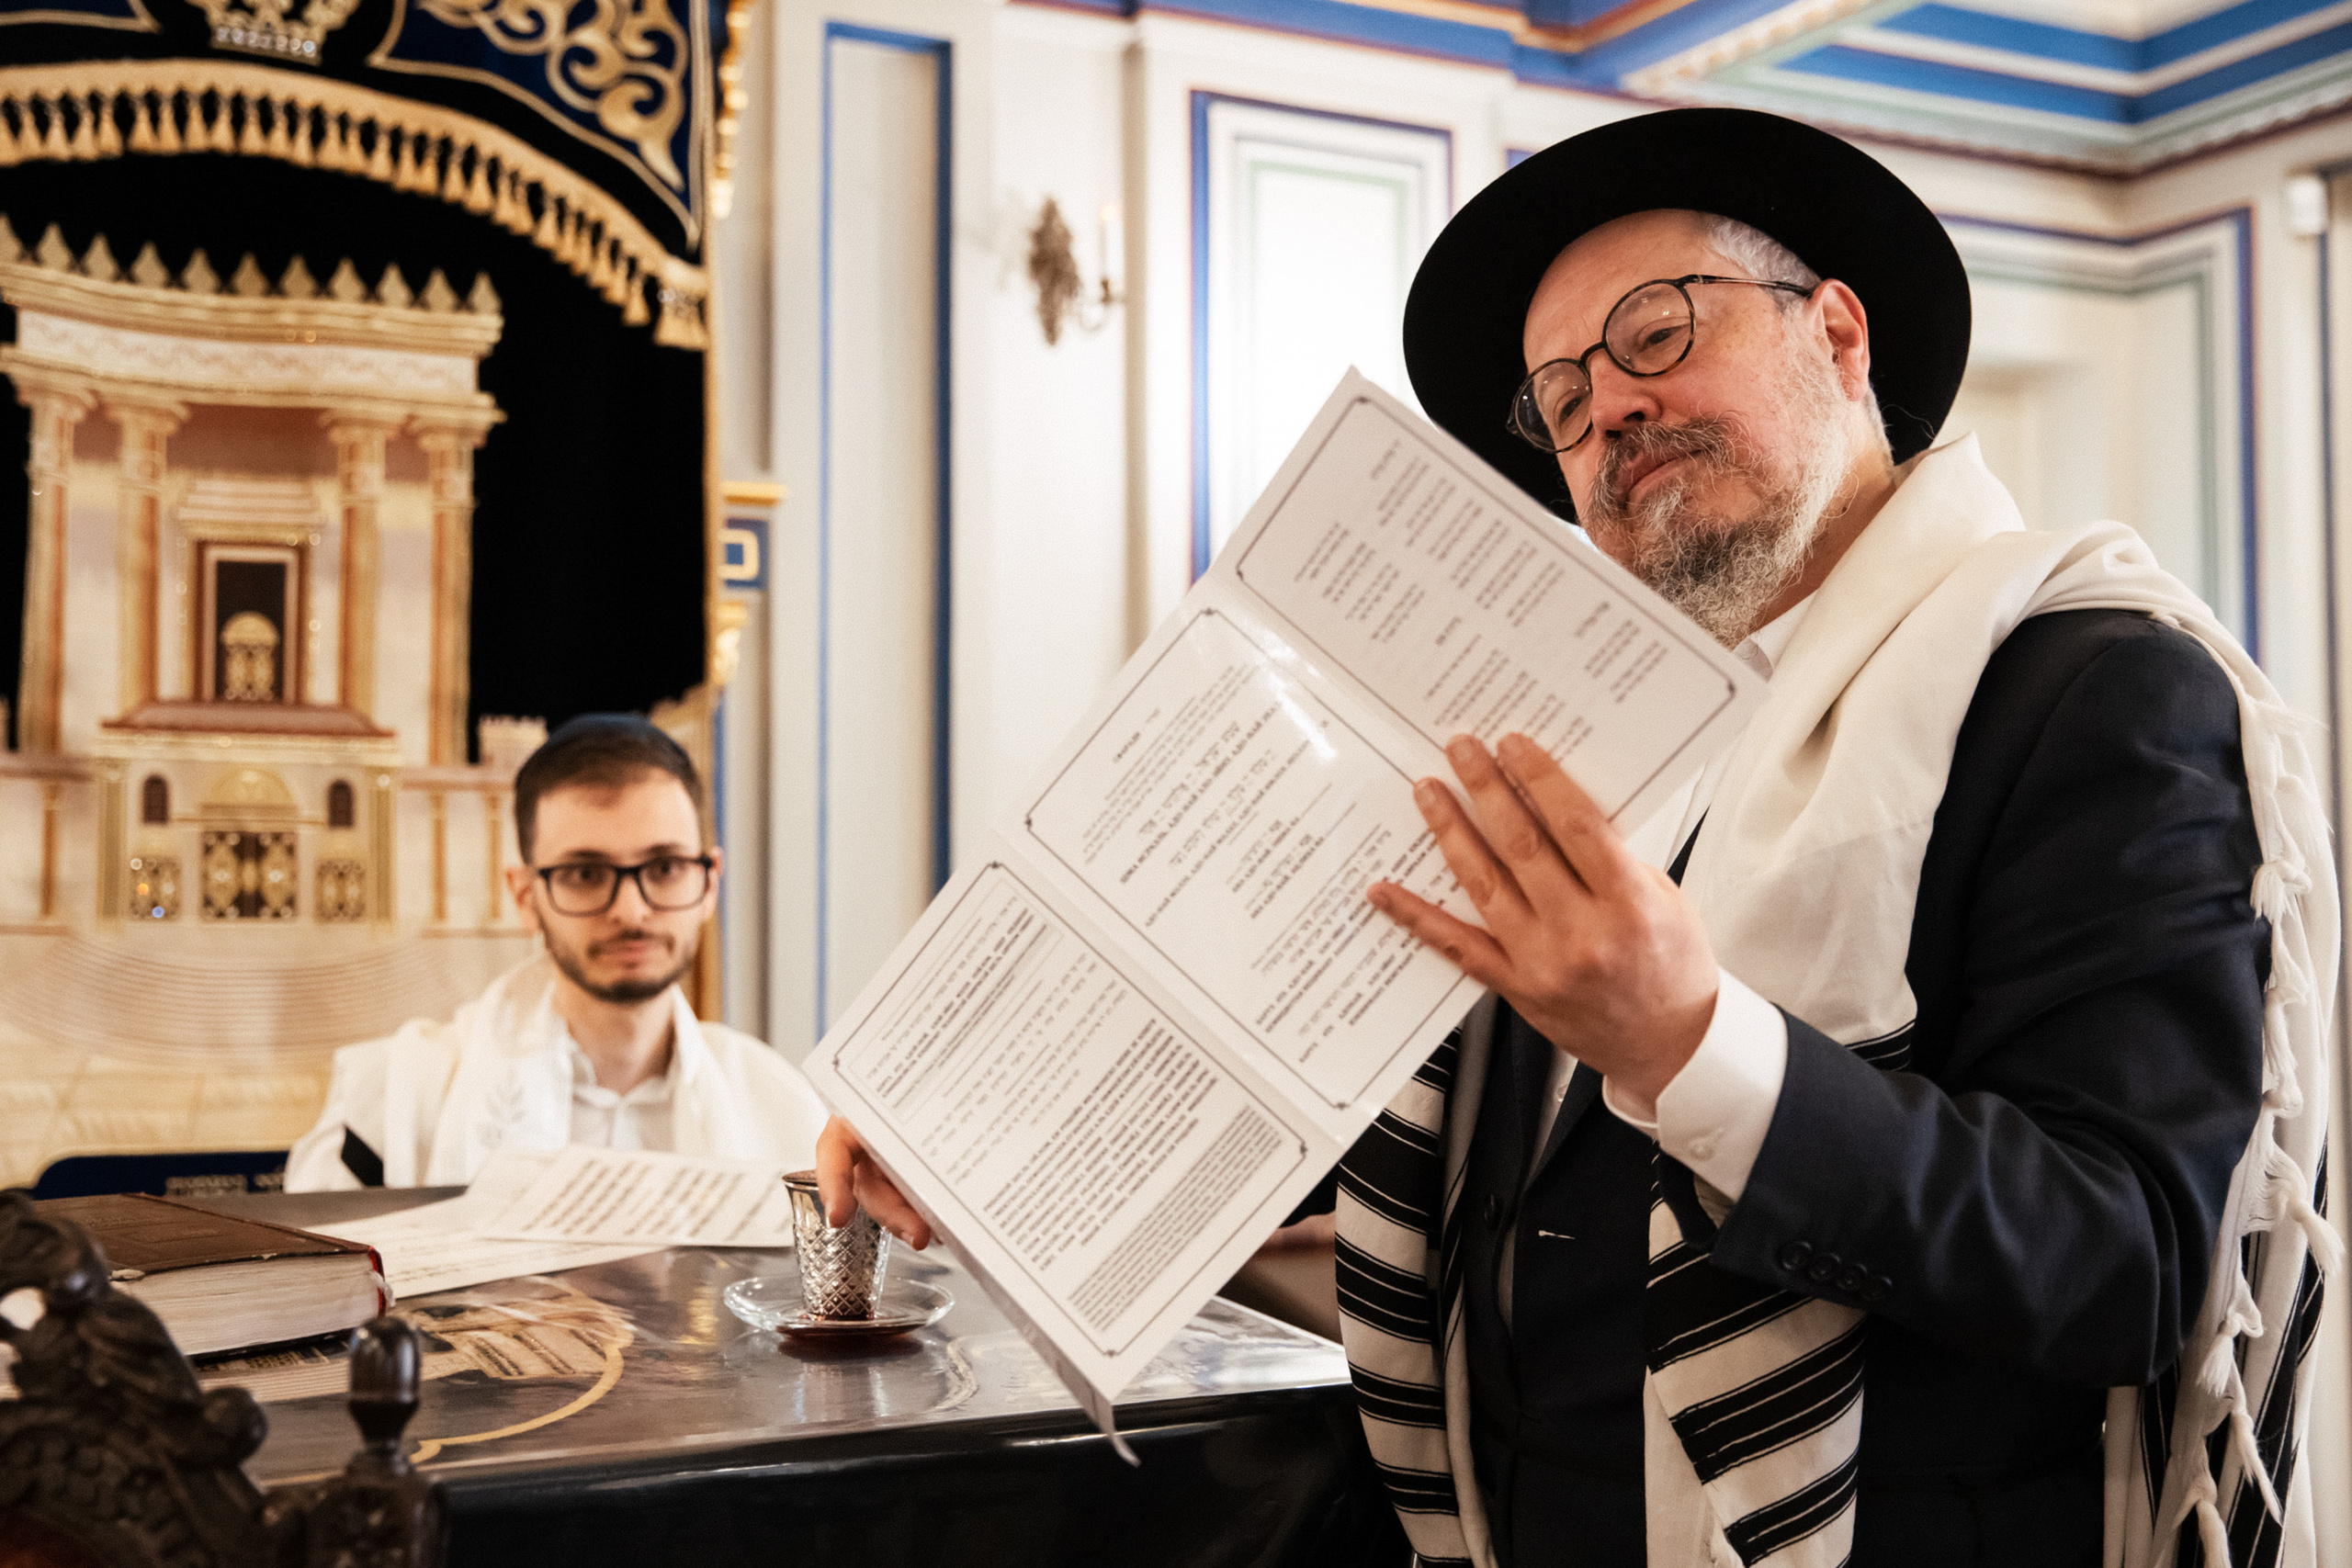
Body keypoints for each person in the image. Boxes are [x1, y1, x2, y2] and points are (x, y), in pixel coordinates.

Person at [819, 108, 2336, 1568]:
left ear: (1840, 334)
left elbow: (2128, 1260)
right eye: (1559, 394)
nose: (1605, 405)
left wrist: (1695, 1043)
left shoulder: (2096, 690)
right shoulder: (1607, 741)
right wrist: (986, 1155)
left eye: (1659, 331)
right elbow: (1360, 1090)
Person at [288, 715, 829, 1190]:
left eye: (664, 868)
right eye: (587, 874)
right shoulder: (391, 1103)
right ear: (526, 897)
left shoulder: (785, 1112)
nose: (632, 910)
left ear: (709, 884)